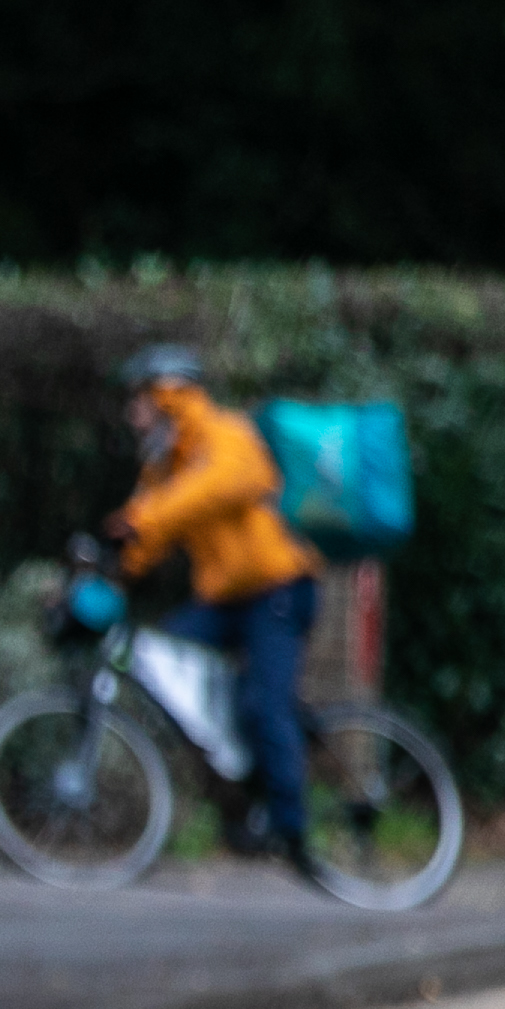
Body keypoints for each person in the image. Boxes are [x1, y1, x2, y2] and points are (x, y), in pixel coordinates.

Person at [108, 345, 323, 871]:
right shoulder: (167, 462)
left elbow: (217, 487)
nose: (130, 413)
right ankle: (238, 785)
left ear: (168, 393)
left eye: (138, 399)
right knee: (157, 652)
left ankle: (290, 827)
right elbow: (145, 530)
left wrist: (148, 518)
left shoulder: (224, 434)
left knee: (262, 706)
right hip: (226, 600)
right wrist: (110, 569)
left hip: (278, 589)